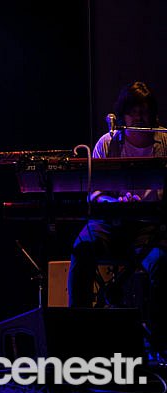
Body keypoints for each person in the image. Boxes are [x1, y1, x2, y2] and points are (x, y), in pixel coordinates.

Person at [68, 81, 167, 355]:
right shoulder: (107, 142)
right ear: (122, 115)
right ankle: (77, 341)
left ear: (153, 114)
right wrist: (114, 203)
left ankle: (159, 345)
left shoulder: (165, 142)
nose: (139, 118)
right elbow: (93, 194)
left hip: (150, 227)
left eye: (144, 112)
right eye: (133, 112)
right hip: (110, 224)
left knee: (161, 263)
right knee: (82, 248)